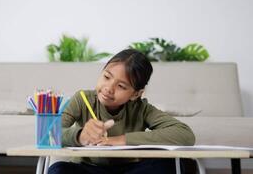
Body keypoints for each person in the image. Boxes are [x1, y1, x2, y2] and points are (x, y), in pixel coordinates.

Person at [48, 49, 195, 174]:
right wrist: (80, 136)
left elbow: (185, 134)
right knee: (58, 169)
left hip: (131, 169)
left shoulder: (141, 108)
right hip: (89, 169)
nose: (108, 88)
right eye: (106, 77)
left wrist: (119, 140)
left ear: (135, 94)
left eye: (121, 86)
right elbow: (50, 134)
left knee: (170, 165)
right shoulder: (82, 99)